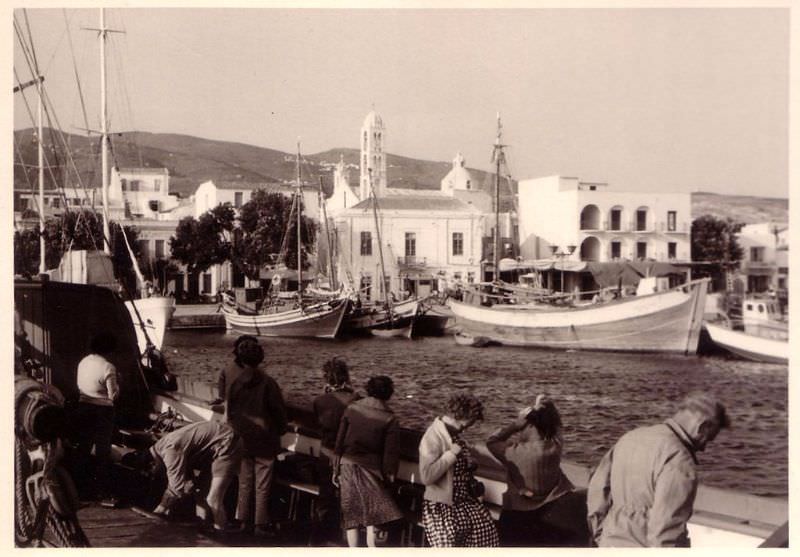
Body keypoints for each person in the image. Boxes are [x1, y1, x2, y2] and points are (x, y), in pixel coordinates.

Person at [586, 391, 730, 547]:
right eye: (708, 439)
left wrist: (602, 537)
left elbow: (598, 491)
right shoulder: (679, 458)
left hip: (609, 544)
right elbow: (665, 532)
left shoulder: (629, 438)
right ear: (702, 427)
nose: (703, 448)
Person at [486, 395, 588, 546]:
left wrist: (516, 424)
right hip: (552, 509)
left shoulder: (512, 452)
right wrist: (542, 405)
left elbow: (491, 440)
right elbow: (557, 425)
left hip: (517, 514)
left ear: (528, 427)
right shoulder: (555, 446)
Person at [218, 335, 288, 537]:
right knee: (262, 484)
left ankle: (242, 520)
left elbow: (230, 411)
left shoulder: (235, 383)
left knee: (244, 482)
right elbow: (279, 412)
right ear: (261, 358)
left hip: (242, 438)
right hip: (265, 439)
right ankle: (260, 524)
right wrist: (281, 429)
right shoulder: (268, 383)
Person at [418, 393, 499, 547]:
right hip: (442, 508)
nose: (465, 429)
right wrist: (451, 455)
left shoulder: (453, 435)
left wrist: (469, 465)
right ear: (456, 416)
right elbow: (427, 477)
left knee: (488, 536)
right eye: (466, 424)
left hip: (463, 503)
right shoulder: (432, 438)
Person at [134, 420, 242, 532]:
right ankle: (203, 529)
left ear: (152, 464)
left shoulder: (170, 452)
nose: (155, 474)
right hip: (216, 441)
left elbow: (177, 488)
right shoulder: (162, 445)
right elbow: (187, 480)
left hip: (228, 443)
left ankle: (221, 532)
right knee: (200, 494)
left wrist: (158, 512)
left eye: (153, 471)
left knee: (213, 499)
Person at [333, 375, 403, 547]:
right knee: (375, 517)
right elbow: (390, 455)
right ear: (389, 393)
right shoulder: (390, 418)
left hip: (347, 466)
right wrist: (390, 478)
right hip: (372, 471)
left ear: (369, 389)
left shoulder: (352, 408)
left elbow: (339, 443)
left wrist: (335, 470)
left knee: (352, 517)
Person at [311, 357, 360, 543]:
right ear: (346, 376)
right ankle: (344, 539)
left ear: (326, 379)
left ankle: (318, 538)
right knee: (347, 499)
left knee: (325, 496)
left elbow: (318, 423)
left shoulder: (320, 401)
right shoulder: (356, 400)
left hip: (326, 453)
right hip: (348, 455)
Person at [74, 332, 120, 507]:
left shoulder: (83, 362)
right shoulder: (108, 367)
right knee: (102, 453)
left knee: (83, 449)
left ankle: (79, 491)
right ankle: (102, 493)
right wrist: (119, 384)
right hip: (102, 412)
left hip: (83, 407)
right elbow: (113, 396)